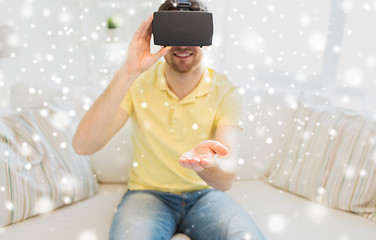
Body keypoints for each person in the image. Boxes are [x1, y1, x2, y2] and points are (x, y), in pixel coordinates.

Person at [72, 0, 265, 239]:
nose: (182, 43)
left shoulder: (226, 91)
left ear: (207, 37)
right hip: (148, 194)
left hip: (205, 195)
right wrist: (128, 71)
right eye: (174, 31)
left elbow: (226, 179)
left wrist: (206, 165)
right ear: (158, 36)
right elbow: (83, 145)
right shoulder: (137, 82)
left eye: (191, 31)